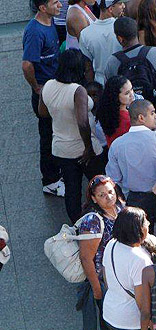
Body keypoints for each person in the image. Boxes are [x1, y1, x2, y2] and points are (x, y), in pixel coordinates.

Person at [39, 49, 106, 223]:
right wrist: (88, 148)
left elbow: (42, 112)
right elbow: (83, 122)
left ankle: (77, 226)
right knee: (101, 185)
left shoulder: (48, 85)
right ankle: (105, 219)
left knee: (72, 189)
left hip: (61, 148)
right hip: (83, 148)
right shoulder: (78, 91)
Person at [77, 175, 124, 330]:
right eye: (102, 195)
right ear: (94, 198)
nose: (108, 197)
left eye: (110, 192)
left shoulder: (120, 207)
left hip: (123, 275)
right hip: (105, 281)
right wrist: (97, 289)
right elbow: (86, 258)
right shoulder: (93, 221)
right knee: (109, 324)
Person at [107, 99, 156, 234]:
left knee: (142, 242)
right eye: (152, 113)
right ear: (141, 118)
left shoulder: (117, 144)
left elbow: (114, 179)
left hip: (135, 200)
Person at [22, 0, 64, 197]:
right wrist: (37, 88)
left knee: (55, 132)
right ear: (42, 8)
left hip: (53, 87)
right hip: (45, 92)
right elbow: (27, 65)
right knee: (47, 135)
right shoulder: (35, 32)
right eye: (55, 2)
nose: (59, 5)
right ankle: (50, 181)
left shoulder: (50, 22)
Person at [104, 16, 156, 116]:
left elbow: (110, 98)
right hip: (155, 116)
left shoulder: (113, 62)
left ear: (120, 38)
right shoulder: (155, 53)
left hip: (129, 121)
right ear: (137, 33)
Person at [79, 0, 125, 85]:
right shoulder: (124, 28)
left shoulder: (85, 33)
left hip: (100, 83)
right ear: (110, 9)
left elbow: (88, 67)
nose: (124, 6)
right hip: (123, 83)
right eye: (120, 3)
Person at [96, 75, 134, 146]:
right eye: (127, 93)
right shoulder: (128, 119)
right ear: (115, 96)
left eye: (131, 89)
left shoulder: (106, 112)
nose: (132, 95)